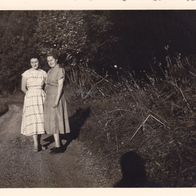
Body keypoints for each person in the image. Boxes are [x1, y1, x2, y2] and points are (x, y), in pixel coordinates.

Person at [44, 53, 70, 153]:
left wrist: (56, 100)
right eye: (48, 61)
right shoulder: (50, 71)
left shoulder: (60, 70)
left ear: (56, 60)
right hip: (49, 97)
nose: (50, 62)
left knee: (56, 121)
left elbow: (60, 86)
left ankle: (59, 147)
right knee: (52, 121)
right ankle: (58, 144)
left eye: (52, 60)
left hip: (56, 97)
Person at [21, 57, 47, 152]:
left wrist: (43, 93)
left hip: (41, 96)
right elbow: (23, 88)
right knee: (33, 119)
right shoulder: (26, 73)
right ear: (30, 63)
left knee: (40, 119)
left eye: (36, 62)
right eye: (32, 62)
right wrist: (30, 95)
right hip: (30, 97)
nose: (34, 64)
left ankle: (38, 144)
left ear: (39, 62)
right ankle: (36, 144)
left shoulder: (43, 73)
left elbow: (47, 85)